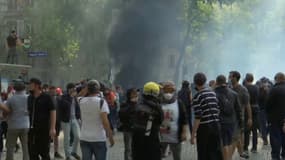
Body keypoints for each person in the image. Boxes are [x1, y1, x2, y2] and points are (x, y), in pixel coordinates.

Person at [79, 80, 114, 160]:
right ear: (98, 90)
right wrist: (110, 137)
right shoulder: (101, 102)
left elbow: (78, 95)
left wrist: (86, 89)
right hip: (98, 138)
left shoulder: (81, 101)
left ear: (88, 89)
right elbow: (105, 122)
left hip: (84, 137)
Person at [190, 72, 223, 160]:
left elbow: (198, 117)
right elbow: (218, 109)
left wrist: (193, 135)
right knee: (215, 152)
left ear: (195, 82)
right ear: (205, 81)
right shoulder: (213, 93)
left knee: (203, 153)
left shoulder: (196, 97)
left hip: (204, 129)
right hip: (216, 126)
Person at [132, 82, 164, 160]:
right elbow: (161, 120)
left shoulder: (137, 104)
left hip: (137, 140)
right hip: (152, 140)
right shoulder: (157, 107)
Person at [214, 75, 242, 160]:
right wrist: (240, 122)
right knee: (229, 142)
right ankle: (229, 158)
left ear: (217, 82)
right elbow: (238, 110)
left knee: (223, 143)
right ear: (225, 81)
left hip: (220, 122)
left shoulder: (214, 93)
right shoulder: (234, 93)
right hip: (231, 122)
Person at [0, 79, 29, 160]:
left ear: (14, 88)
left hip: (13, 126)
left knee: (10, 148)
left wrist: (4, 117)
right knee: (26, 148)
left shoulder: (11, 99)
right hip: (26, 125)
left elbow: (6, 112)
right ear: (24, 88)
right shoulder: (28, 98)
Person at [27, 78, 56, 160]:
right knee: (32, 153)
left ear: (36, 85)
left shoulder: (47, 97)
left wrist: (53, 128)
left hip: (44, 129)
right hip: (31, 130)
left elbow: (53, 111)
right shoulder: (30, 98)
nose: (29, 85)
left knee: (44, 152)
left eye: (30, 84)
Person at [160, 81, 188, 160]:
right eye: (166, 90)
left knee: (177, 157)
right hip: (161, 137)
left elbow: (184, 119)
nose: (168, 93)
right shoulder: (158, 102)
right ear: (163, 91)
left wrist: (184, 132)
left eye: (171, 90)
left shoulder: (179, 103)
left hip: (175, 137)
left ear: (174, 91)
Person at [228, 71, 252, 159]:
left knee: (235, 136)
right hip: (229, 116)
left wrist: (250, 118)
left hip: (239, 117)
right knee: (237, 135)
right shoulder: (228, 88)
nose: (229, 78)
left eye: (230, 77)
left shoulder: (243, 89)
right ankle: (241, 152)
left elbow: (247, 104)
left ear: (235, 78)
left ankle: (229, 156)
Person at [58, 83, 81, 160]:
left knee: (77, 136)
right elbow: (65, 106)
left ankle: (73, 152)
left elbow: (77, 107)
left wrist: (79, 117)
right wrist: (71, 97)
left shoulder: (75, 97)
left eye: (74, 88)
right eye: (73, 89)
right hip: (66, 120)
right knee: (67, 138)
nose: (74, 90)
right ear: (69, 89)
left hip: (74, 119)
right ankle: (67, 155)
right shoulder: (63, 97)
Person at [266, 72, 285, 160]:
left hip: (275, 119)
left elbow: (268, 104)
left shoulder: (274, 89)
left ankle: (275, 156)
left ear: (277, 79)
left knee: (275, 138)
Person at [118, 88, 139, 160]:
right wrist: (132, 104)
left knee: (136, 148)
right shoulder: (125, 104)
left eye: (136, 94)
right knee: (128, 148)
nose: (135, 95)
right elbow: (122, 115)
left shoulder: (139, 104)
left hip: (137, 129)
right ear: (129, 95)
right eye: (133, 93)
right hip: (127, 129)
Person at [243, 73, 260, 153]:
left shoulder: (244, 88)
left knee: (247, 129)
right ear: (252, 79)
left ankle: (245, 147)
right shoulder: (257, 88)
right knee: (254, 130)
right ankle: (254, 147)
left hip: (247, 110)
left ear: (246, 79)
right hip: (256, 109)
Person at [49, 86, 64, 159]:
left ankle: (56, 152)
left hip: (57, 120)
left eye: (54, 91)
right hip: (49, 121)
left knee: (56, 137)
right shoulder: (47, 99)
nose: (53, 92)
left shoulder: (59, 99)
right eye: (51, 91)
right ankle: (47, 152)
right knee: (48, 137)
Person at [256, 77, 272, 145]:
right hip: (262, 110)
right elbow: (258, 99)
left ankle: (265, 135)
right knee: (263, 126)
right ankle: (265, 138)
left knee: (269, 124)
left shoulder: (270, 89)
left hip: (268, 110)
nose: (265, 84)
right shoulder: (259, 90)